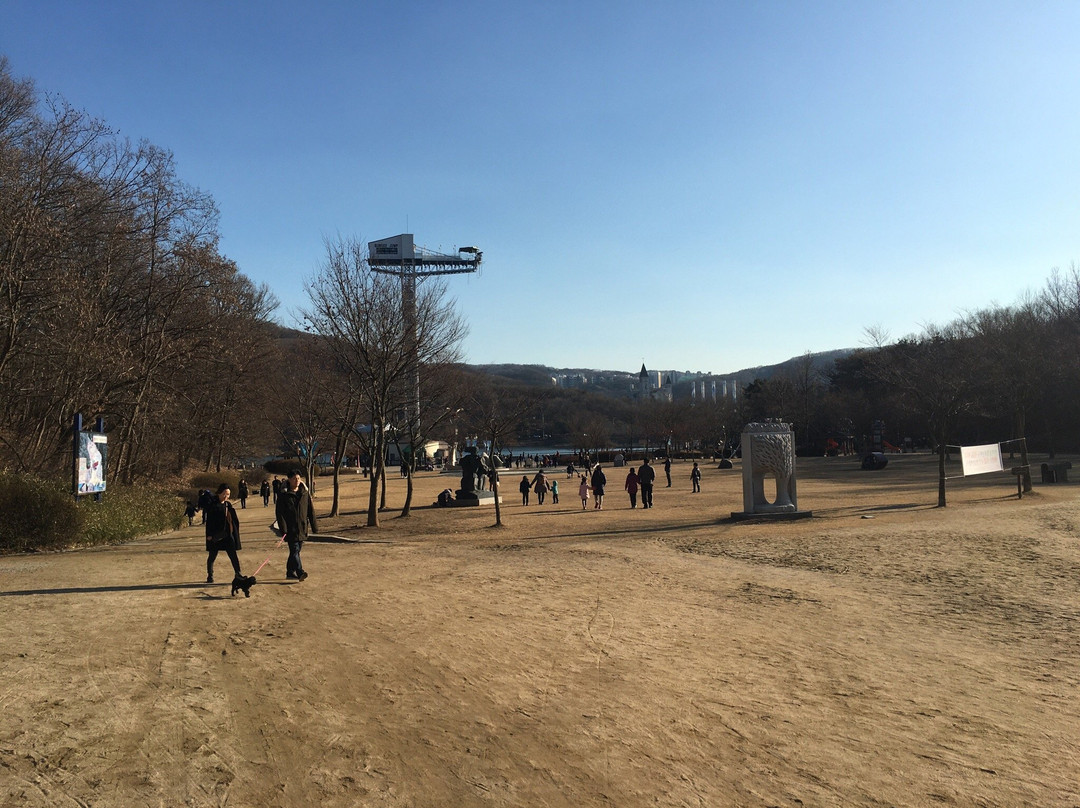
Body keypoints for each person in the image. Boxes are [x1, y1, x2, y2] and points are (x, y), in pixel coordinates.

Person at [276, 469, 317, 582]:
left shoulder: (304, 493)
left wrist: (314, 526)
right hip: (290, 528)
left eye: (298, 478)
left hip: (302, 527)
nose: (297, 480)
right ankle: (300, 572)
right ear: (289, 480)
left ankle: (290, 572)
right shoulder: (284, 495)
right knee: (294, 550)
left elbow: (310, 510)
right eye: (294, 478)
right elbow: (280, 513)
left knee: (296, 551)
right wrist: (283, 529)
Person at [204, 483, 244, 584]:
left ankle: (238, 573)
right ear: (219, 493)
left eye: (228, 494)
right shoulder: (213, 505)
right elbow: (209, 522)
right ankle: (210, 575)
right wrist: (209, 535)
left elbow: (233, 520)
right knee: (212, 556)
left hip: (227, 535)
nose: (226, 496)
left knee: (233, 555)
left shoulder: (228, 505)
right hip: (216, 535)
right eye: (224, 494)